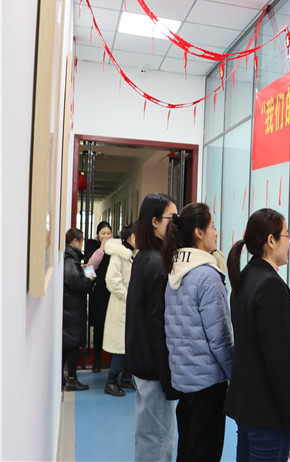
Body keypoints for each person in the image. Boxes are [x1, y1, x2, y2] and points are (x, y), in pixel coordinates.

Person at [225, 208, 290, 462]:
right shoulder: (269, 285)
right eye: (287, 235)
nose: (289, 243)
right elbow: (278, 361)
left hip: (249, 407)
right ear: (271, 241)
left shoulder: (246, 277)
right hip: (268, 413)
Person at [162, 203, 234, 461]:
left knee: (188, 450)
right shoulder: (207, 276)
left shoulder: (175, 271)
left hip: (184, 379)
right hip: (208, 384)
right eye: (212, 226)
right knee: (205, 453)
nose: (216, 232)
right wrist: (235, 376)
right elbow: (220, 339)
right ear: (198, 233)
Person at [126, 193, 178, 462]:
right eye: (172, 218)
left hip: (142, 364)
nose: (176, 224)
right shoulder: (157, 263)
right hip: (154, 368)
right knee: (158, 442)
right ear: (155, 222)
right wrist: (168, 377)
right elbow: (158, 325)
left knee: (149, 437)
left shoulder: (144, 257)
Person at [102, 222, 137, 397]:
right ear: (132, 237)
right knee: (119, 346)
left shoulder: (133, 254)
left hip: (129, 306)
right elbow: (112, 281)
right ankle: (111, 381)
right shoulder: (119, 255)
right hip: (120, 305)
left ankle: (126, 377)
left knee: (128, 344)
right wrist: (128, 296)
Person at [63, 227, 95, 391]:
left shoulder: (69, 257)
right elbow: (78, 282)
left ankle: (66, 378)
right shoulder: (70, 258)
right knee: (73, 344)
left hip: (70, 309)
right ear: (75, 241)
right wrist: (90, 276)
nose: (82, 245)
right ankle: (71, 379)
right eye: (81, 241)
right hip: (72, 310)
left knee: (69, 344)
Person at [85, 220, 113, 372]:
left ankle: (113, 362)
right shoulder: (92, 246)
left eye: (108, 233)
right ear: (98, 234)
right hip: (98, 293)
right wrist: (102, 249)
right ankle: (97, 360)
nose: (106, 236)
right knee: (98, 328)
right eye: (103, 233)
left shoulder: (115, 248)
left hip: (111, 293)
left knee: (112, 326)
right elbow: (89, 269)